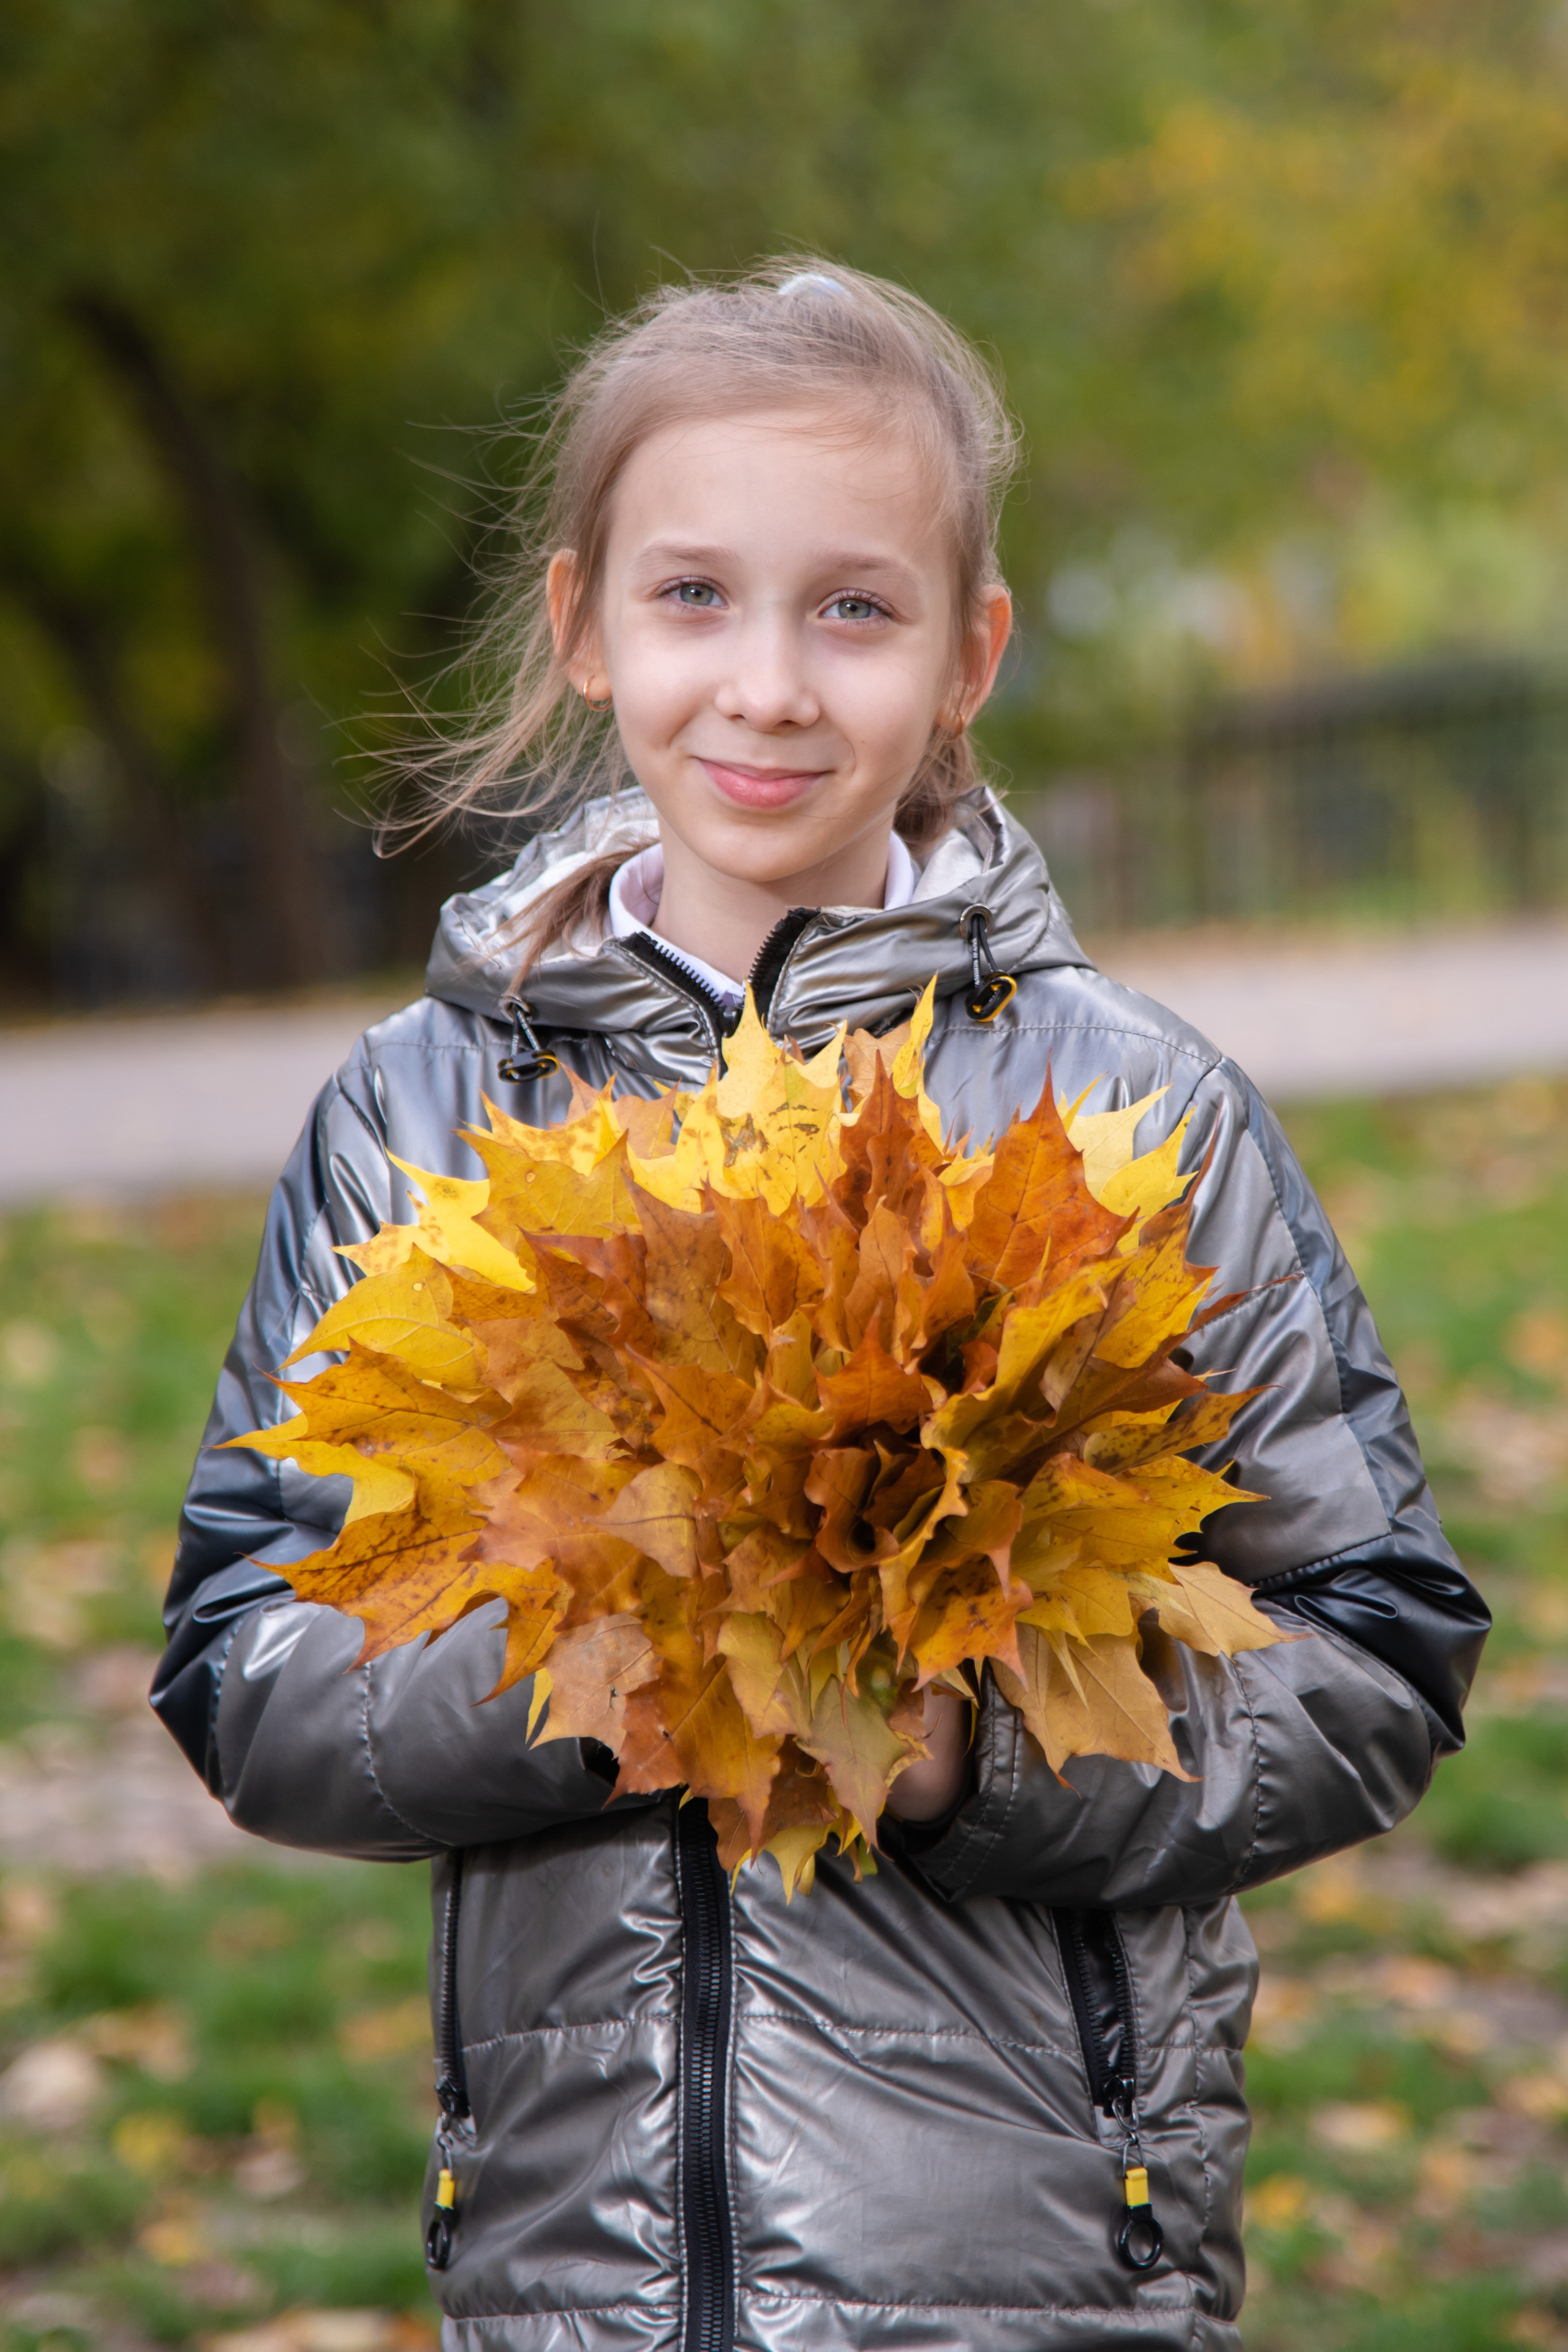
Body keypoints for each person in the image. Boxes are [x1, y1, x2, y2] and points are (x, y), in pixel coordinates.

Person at [155, 260, 1488, 2352]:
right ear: (585, 625)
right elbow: (245, 1663)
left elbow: (1378, 1655)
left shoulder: (1127, 1110)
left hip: (1035, 2274)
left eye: (854, 610)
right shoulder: (420, 1119)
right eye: (697, 598)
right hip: (568, 2273)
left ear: (971, 657)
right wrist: (580, 1679)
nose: (769, 686)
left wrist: (980, 1759)